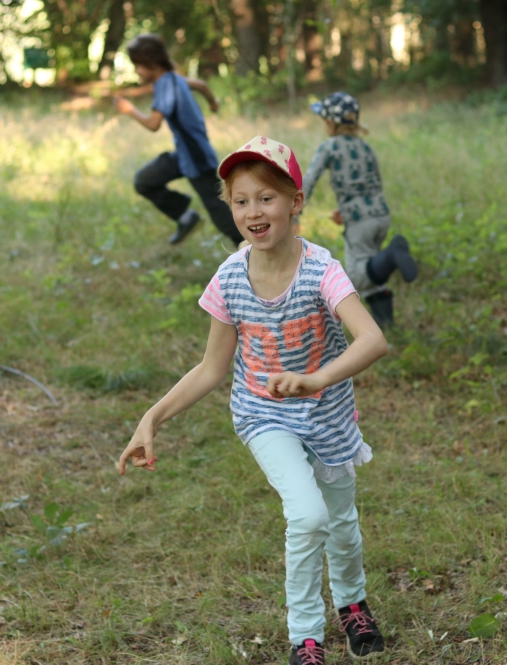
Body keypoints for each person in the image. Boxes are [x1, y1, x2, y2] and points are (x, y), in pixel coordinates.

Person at [118, 135, 389, 664]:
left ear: (295, 201)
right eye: (241, 200)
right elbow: (212, 368)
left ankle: (353, 604)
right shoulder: (230, 279)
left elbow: (373, 340)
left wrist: (315, 380)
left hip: (327, 416)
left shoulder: (321, 271)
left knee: (341, 522)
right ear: (230, 207)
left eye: (266, 197)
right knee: (308, 515)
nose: (253, 211)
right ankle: (306, 636)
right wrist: (151, 417)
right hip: (264, 416)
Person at [114, 34, 243, 246]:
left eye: (137, 65)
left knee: (217, 209)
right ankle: (185, 217)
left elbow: (153, 124)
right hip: (184, 154)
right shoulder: (173, 78)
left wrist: (130, 110)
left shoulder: (166, 85)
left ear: (152, 63)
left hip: (196, 156)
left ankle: (250, 247)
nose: (136, 70)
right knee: (145, 181)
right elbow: (201, 85)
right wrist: (213, 103)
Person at [302, 91, 418, 326]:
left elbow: (309, 179)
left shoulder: (329, 147)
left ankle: (393, 254)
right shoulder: (365, 148)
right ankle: (387, 324)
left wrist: (295, 209)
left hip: (359, 221)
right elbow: (371, 184)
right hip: (380, 216)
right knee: (372, 267)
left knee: (357, 275)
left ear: (331, 123)